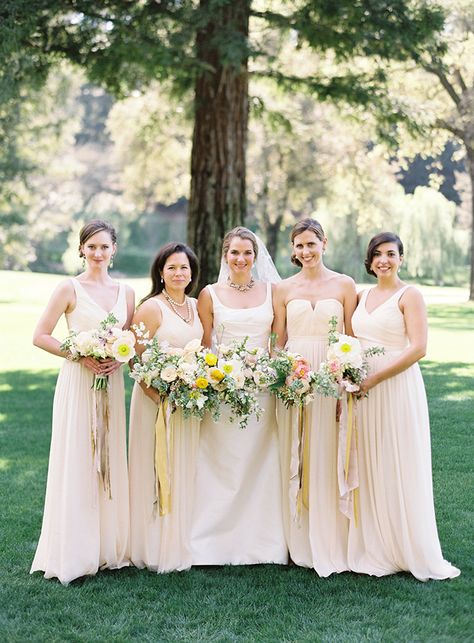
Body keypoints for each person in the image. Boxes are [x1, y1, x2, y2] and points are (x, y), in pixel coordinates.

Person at [347, 232, 460, 580]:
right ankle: (376, 544)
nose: (384, 260)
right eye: (378, 254)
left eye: (391, 254)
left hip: (394, 386)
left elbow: (418, 348)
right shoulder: (361, 296)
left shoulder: (409, 295)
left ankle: (407, 547)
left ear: (401, 258)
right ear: (369, 260)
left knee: (399, 461)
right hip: (363, 388)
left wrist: (376, 378)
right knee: (370, 462)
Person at [30, 219, 135, 585]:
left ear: (114, 249)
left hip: (112, 382)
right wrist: (79, 355)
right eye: (91, 247)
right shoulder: (68, 287)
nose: (98, 253)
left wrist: (118, 358)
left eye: (104, 246)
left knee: (108, 459)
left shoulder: (127, 292)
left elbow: (130, 340)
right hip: (79, 381)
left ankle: (108, 548)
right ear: (81, 250)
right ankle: (75, 550)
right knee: (79, 457)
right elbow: (40, 336)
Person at [191, 226, 287, 565]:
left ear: (255, 256)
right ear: (224, 255)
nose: (241, 259)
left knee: (261, 463)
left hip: (262, 391)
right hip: (223, 389)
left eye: (247, 253)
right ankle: (210, 542)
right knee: (220, 462)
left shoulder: (273, 292)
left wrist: (266, 372)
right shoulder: (209, 294)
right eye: (234, 252)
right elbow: (205, 345)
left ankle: (263, 542)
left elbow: (278, 342)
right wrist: (223, 375)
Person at [272, 217, 357, 575]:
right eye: (299, 245)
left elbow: (352, 338)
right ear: (293, 250)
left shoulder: (344, 284)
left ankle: (332, 538)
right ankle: (298, 538)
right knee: (298, 451)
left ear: (324, 243)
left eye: (312, 243)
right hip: (296, 378)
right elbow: (278, 342)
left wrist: (345, 381)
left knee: (328, 452)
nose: (306, 251)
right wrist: (287, 375)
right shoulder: (282, 288)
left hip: (332, 376)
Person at [128, 243, 203, 573]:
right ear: (160, 272)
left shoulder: (197, 306)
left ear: (192, 273)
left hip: (187, 404)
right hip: (154, 403)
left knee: (181, 467)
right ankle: (151, 546)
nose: (178, 273)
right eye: (172, 267)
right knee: (154, 466)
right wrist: (157, 396)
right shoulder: (151, 309)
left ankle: (179, 538)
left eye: (184, 268)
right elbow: (132, 357)